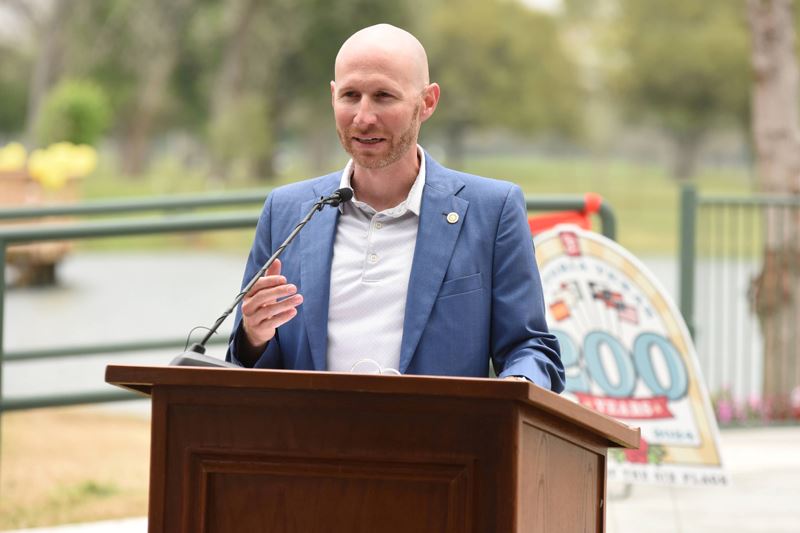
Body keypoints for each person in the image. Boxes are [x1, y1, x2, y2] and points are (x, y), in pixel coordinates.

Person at [226, 24, 564, 392]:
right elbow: (247, 359)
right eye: (350, 95)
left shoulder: (493, 211)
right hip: (309, 444)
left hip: (439, 445)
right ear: (333, 96)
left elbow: (531, 347)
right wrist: (253, 336)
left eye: (384, 96)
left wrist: (517, 387)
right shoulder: (286, 210)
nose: (363, 116)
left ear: (427, 102)